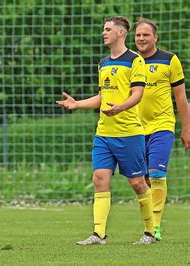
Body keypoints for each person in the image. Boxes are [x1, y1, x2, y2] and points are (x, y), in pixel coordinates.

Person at [56, 16, 155, 245]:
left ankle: (150, 231)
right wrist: (77, 104)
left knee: (138, 183)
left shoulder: (135, 60)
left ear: (121, 33)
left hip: (129, 133)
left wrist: (120, 108)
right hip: (104, 133)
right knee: (100, 178)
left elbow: (137, 95)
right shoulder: (103, 63)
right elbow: (103, 97)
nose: (104, 32)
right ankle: (99, 234)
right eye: (103, 29)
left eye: (108, 29)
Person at [134, 17, 189, 241]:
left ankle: (154, 228)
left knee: (157, 175)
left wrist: (187, 129)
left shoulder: (169, 60)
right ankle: (150, 222)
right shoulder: (130, 61)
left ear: (155, 37)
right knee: (142, 180)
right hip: (135, 129)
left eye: (146, 34)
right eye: (138, 35)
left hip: (162, 126)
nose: (141, 38)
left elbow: (181, 98)